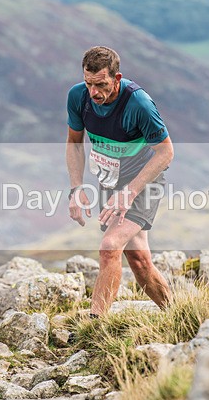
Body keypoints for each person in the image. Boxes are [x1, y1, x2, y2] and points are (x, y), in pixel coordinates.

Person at [66, 46, 173, 317]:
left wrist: (130, 192)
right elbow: (74, 143)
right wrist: (76, 188)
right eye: (89, 83)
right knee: (138, 259)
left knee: (110, 247)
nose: (94, 92)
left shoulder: (139, 104)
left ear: (117, 78)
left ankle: (95, 325)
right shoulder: (78, 97)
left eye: (101, 84)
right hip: (110, 182)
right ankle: (178, 314)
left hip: (143, 181)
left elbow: (166, 152)